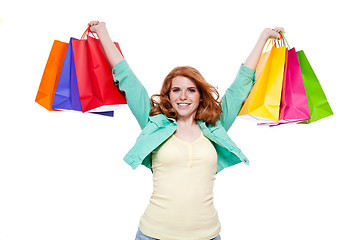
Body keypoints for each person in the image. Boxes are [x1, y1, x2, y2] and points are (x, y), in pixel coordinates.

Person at [89, 20, 284, 240]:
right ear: (168, 95)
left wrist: (264, 37)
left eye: (191, 90)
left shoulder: (215, 126)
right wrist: (103, 33)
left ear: (200, 95)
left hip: (207, 235)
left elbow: (240, 87)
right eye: (177, 90)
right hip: (154, 234)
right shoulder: (154, 124)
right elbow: (128, 80)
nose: (183, 96)